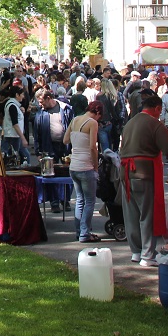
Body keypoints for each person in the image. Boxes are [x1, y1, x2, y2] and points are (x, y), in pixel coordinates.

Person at [119, 90, 168, 266]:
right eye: (160, 111)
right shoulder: (154, 124)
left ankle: (136, 252)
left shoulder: (130, 123)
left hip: (126, 173)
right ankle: (147, 255)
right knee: (147, 214)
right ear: (157, 108)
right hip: (144, 173)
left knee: (131, 214)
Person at [63, 97, 101, 242]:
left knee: (80, 200)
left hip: (74, 166)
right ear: (97, 112)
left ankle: (79, 231)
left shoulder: (74, 120)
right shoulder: (92, 123)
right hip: (86, 165)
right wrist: (96, 166)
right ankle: (85, 232)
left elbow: (65, 140)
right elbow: (93, 147)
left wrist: (77, 140)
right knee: (90, 201)